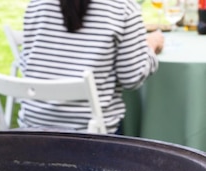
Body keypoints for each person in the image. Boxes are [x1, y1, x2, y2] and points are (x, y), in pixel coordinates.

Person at [18, 0, 165, 133]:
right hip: (92, 136)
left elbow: (27, 65)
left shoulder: (36, 5)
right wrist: (151, 46)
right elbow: (132, 77)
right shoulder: (123, 7)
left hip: (33, 129)